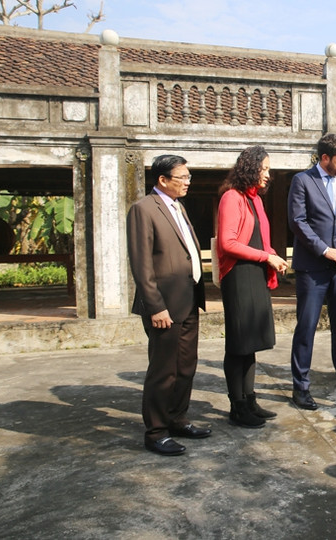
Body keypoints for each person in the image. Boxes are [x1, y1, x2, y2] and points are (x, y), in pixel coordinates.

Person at [126, 154, 209, 456]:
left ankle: (177, 418)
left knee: (186, 366)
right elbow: (142, 264)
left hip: (188, 300)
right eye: (182, 177)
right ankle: (156, 431)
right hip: (164, 306)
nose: (188, 182)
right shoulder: (144, 209)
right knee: (163, 370)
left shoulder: (178, 207)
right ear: (163, 179)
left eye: (188, 176)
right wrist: (155, 306)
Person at [287, 133, 336, 410]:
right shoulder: (302, 181)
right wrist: (324, 249)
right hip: (313, 268)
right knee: (306, 327)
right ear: (325, 158)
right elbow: (298, 222)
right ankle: (301, 387)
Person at [217, 145, 288, 428]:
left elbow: (260, 237)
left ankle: (250, 400)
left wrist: (273, 257)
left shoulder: (255, 200)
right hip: (238, 275)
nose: (268, 175)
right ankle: (237, 406)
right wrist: (266, 256)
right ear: (250, 168)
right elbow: (228, 243)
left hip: (255, 273)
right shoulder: (231, 198)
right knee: (238, 344)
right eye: (265, 168)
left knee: (251, 344)